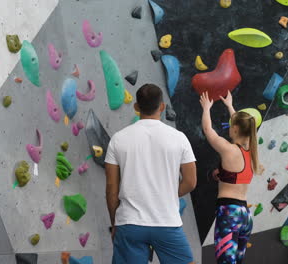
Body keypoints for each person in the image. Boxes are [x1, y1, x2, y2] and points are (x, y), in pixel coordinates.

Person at [105, 84, 197, 264]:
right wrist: (167, 194)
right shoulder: (179, 138)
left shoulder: (118, 139)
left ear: (136, 107)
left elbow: (111, 189)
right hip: (166, 222)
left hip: (130, 223)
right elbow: (190, 182)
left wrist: (115, 222)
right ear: (162, 106)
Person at [199, 91, 259, 264]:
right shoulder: (250, 152)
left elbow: (207, 130)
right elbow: (241, 125)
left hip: (230, 214)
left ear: (235, 129)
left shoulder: (229, 150)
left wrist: (206, 108)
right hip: (245, 216)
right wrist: (230, 106)